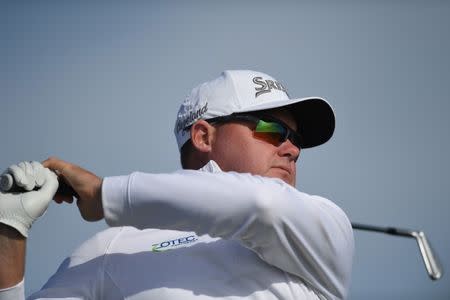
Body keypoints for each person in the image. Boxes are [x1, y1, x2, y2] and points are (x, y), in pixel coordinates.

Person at [0, 70, 354, 300]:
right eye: (272, 130)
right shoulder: (111, 248)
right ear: (203, 136)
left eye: (296, 140)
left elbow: (263, 205)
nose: (292, 149)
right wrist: (9, 233)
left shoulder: (323, 226)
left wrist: (102, 194)